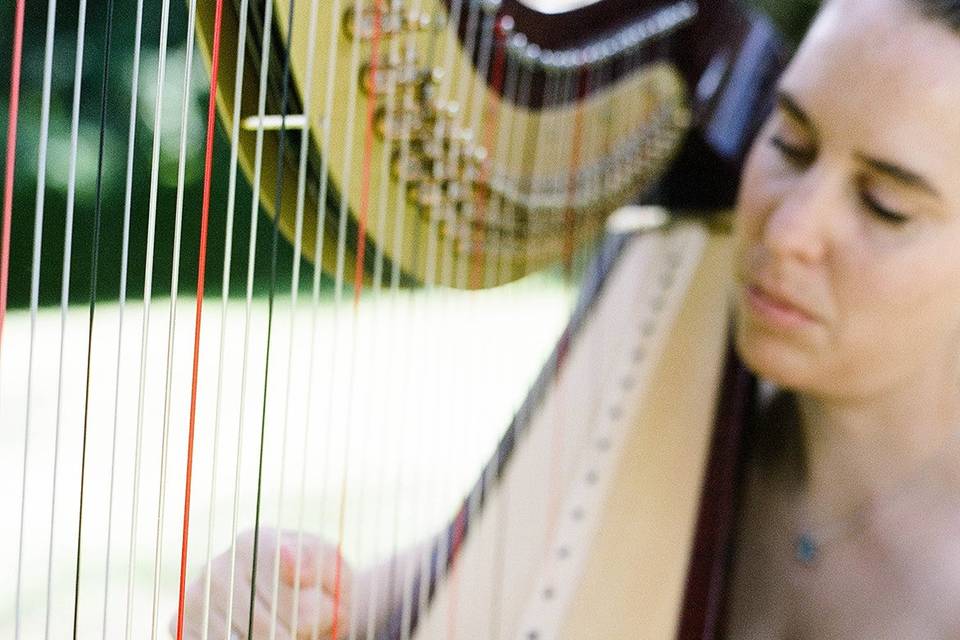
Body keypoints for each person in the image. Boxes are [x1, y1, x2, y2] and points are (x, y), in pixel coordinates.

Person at [177, 0, 960, 637]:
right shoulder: (674, 408)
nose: (788, 229)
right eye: (789, 142)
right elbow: (391, 603)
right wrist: (277, 601)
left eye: (884, 206)